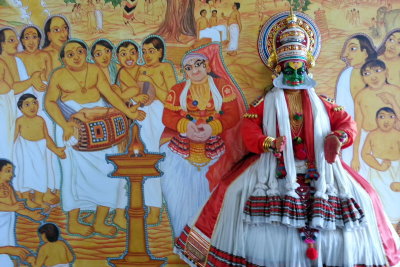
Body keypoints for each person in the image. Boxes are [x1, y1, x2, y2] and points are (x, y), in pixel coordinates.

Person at [173, 11, 400, 267]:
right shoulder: (266, 102)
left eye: (299, 66)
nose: (294, 72)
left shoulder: (322, 103)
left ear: (306, 66)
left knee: (367, 195)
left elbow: (347, 123)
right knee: (231, 191)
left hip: (320, 168)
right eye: (289, 66)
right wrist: (267, 143)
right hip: (273, 166)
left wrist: (338, 137)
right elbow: (249, 126)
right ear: (279, 67)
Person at [45, 39, 145, 237]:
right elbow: (49, 103)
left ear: (85, 53)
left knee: (108, 171)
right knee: (72, 176)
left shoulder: (95, 71)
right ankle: (73, 222)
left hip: (102, 126)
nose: (75, 56)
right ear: (63, 58)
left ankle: (100, 221)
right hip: (73, 127)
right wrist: (65, 125)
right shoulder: (58, 75)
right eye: (70, 53)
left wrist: (128, 112)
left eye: (79, 51)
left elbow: (110, 95)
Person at [159, 50, 242, 237]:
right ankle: (181, 236)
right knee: (176, 190)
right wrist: (186, 125)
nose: (194, 70)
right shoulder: (178, 90)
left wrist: (212, 128)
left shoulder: (222, 86)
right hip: (181, 150)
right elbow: (167, 116)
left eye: (198, 65)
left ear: (207, 66)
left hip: (214, 150)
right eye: (189, 68)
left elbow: (233, 114)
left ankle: (208, 239)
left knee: (212, 196)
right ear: (185, 73)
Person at [13, 94, 66, 209]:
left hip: (39, 152)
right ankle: (27, 199)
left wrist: (56, 150)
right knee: (26, 176)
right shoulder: (19, 121)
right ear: (20, 108)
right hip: (25, 153)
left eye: (35, 103)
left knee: (41, 176)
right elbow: (12, 138)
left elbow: (47, 138)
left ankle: (39, 199)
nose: (32, 106)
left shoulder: (40, 120)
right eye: (27, 104)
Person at [335, 34, 377, 171]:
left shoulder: (380, 74)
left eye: (352, 49)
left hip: (380, 135)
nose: (345, 54)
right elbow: (342, 111)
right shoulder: (346, 75)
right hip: (353, 134)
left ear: (365, 52)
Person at [352, 59, 400, 174]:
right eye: (367, 73)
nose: (373, 77)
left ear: (386, 72)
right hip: (371, 143)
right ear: (363, 78)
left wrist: (392, 102)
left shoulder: (395, 91)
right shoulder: (361, 96)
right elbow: (357, 126)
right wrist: (355, 156)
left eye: (377, 71)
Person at [0, 159, 45, 267]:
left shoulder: (8, 187)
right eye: (8, 171)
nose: (12, 174)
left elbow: (17, 207)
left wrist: (31, 214)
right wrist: (11, 207)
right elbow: (12, 207)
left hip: (6, 229)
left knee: (12, 255)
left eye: (12, 171)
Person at [362, 107, 400, 225]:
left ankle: (394, 229)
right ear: (376, 119)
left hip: (397, 169)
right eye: (382, 117)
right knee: (379, 199)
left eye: (391, 117)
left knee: (395, 201)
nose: (386, 120)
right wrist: (379, 166)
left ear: (395, 120)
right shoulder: (372, 135)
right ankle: (383, 226)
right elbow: (365, 154)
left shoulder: (398, 135)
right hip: (378, 170)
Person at [140, 36, 177, 103]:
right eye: (144, 52)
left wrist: (150, 82)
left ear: (160, 52)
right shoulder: (141, 69)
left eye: (151, 51)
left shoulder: (165, 67)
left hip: (161, 106)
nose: (147, 56)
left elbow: (173, 97)